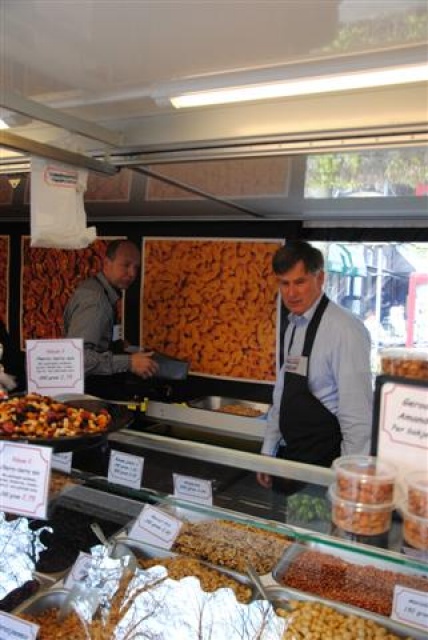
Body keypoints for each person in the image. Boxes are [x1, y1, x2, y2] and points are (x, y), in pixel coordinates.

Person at [257, 240, 373, 492]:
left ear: (320, 279)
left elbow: (357, 417)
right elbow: (282, 395)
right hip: (297, 459)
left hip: (329, 469)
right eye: (284, 283)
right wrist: (267, 452)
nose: (291, 293)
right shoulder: (293, 326)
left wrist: (345, 481)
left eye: (299, 282)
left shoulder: (345, 330)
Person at [64, 239, 158, 397]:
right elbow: (77, 359)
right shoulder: (96, 301)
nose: (132, 274)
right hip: (88, 394)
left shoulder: (98, 289)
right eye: (126, 265)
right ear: (107, 263)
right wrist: (129, 363)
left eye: (136, 267)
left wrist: (117, 345)